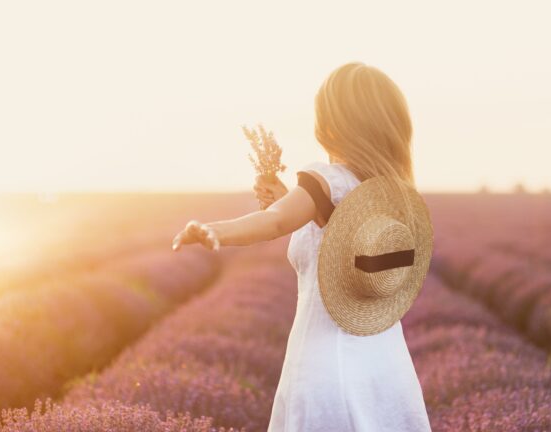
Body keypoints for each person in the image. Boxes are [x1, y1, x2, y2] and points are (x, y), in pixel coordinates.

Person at [172, 62, 432, 431]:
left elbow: (276, 221)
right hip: (385, 369)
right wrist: (290, 200)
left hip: (326, 368)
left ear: (334, 122)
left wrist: (215, 231)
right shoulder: (393, 192)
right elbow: (340, 240)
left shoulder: (324, 180)